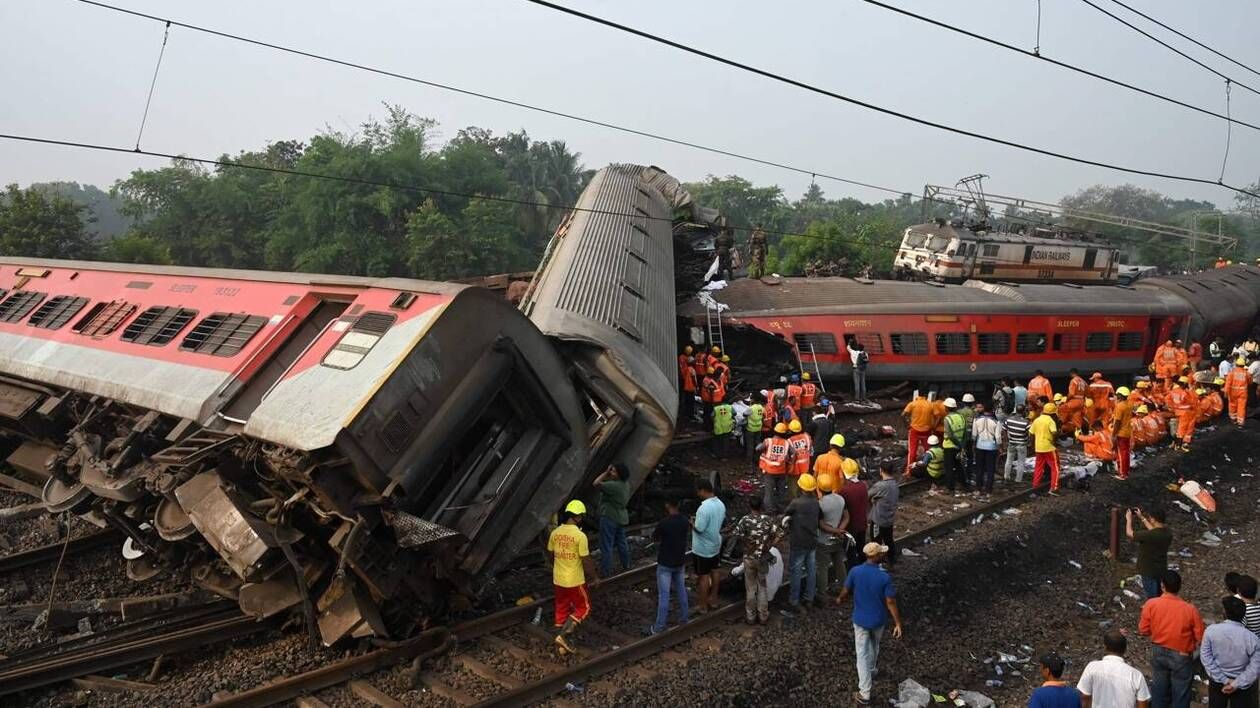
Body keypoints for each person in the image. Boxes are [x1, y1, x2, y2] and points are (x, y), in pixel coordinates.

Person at [837, 542, 904, 706]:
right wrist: (898, 623)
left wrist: (840, 598)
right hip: (878, 620)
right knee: (874, 645)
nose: (884, 554)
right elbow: (890, 601)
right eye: (882, 553)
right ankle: (872, 670)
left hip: (860, 620)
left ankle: (865, 692)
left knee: (862, 654)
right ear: (877, 556)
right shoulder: (884, 577)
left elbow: (846, 589)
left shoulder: (855, 571)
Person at [1139, 570, 1206, 708]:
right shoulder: (1190, 609)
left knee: (1159, 689)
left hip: (1158, 651)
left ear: (1162, 586)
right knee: (1181, 692)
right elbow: (1200, 636)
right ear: (1179, 587)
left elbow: (1143, 630)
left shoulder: (1151, 604)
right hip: (1181, 654)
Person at [548, 500, 599, 654]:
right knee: (584, 608)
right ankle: (564, 636)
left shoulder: (555, 533)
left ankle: (560, 646)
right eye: (581, 516)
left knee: (561, 608)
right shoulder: (580, 536)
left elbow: (551, 555)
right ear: (577, 517)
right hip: (574, 580)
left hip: (558, 578)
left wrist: (559, 565)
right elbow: (586, 560)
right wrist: (594, 577)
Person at [1201, 596, 1260, 707]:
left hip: (1217, 681)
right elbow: (1255, 668)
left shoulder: (1211, 631)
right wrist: (1236, 683)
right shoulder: (1253, 639)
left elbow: (1206, 658)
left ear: (1224, 613)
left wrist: (1224, 679)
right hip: (1242, 684)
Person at [732, 496, 780, 625]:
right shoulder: (768, 520)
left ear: (750, 506)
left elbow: (736, 534)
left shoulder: (745, 520)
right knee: (762, 586)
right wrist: (769, 545)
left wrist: (746, 544)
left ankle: (750, 616)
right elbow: (778, 534)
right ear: (761, 506)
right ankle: (763, 616)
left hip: (749, 558)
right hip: (762, 558)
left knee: (750, 588)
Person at [1077, 630, 1152, 708]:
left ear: (1105, 647)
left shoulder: (1092, 667)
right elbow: (1143, 703)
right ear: (1125, 650)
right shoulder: (1136, 675)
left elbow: (1084, 696)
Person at [647, 499, 690, 635]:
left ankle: (659, 627)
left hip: (665, 563)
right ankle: (684, 618)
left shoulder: (664, 523)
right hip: (679, 561)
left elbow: (655, 537)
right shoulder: (684, 521)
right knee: (681, 590)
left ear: (667, 505)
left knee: (664, 595)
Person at [783, 473, 821, 615]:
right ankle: (809, 599)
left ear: (801, 487)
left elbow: (786, 515)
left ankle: (794, 601)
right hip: (812, 541)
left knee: (796, 572)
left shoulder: (796, 503)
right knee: (811, 571)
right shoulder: (816, 503)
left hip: (798, 541)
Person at [691, 479, 726, 615]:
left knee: (704, 575)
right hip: (715, 544)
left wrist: (692, 523)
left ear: (702, 490)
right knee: (715, 570)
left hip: (703, 548)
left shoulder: (703, 508)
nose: (698, 494)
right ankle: (714, 599)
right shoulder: (721, 504)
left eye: (698, 491)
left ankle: (703, 605)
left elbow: (699, 529)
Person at [593, 463, 632, 577]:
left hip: (609, 517)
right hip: (621, 517)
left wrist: (605, 473)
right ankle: (626, 565)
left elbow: (595, 483)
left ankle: (606, 572)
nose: (611, 473)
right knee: (622, 543)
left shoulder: (613, 486)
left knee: (606, 545)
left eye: (614, 471)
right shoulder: (625, 484)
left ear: (619, 475)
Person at [816, 474, 850, 596]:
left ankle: (822, 594)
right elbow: (846, 517)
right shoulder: (840, 499)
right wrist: (839, 530)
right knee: (839, 563)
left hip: (823, 540)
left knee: (822, 568)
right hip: (838, 539)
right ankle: (844, 588)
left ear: (818, 488)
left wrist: (835, 531)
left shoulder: (820, 504)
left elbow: (821, 525)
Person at [1127, 506, 1172, 599]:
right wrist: (1141, 517)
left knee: (1152, 598)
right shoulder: (1167, 533)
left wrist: (1128, 519)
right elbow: (1154, 530)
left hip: (1148, 571)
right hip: (1161, 570)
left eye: (1150, 517)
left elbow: (1130, 533)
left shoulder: (1149, 535)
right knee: (1160, 595)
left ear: (1153, 519)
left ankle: (1154, 612)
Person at [837, 457, 870, 569]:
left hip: (850, 527)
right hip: (862, 524)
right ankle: (864, 569)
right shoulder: (863, 486)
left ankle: (854, 574)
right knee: (861, 550)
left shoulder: (844, 491)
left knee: (851, 553)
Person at [868, 460, 900, 566]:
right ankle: (892, 560)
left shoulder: (880, 485)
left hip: (878, 519)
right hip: (889, 519)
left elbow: (868, 495)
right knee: (888, 539)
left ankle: (876, 563)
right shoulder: (895, 484)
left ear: (881, 471)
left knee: (875, 542)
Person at [757, 423, 792, 512]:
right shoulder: (786, 443)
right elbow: (794, 453)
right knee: (781, 491)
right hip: (781, 470)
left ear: (775, 431)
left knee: (769, 492)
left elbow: (758, 448)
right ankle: (781, 508)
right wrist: (790, 462)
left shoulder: (768, 441)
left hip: (769, 471)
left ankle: (769, 510)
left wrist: (761, 446)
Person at [1031, 401, 1062, 494]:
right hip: (1049, 447)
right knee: (1055, 467)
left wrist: (1033, 445)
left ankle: (1035, 486)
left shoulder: (1037, 420)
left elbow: (1031, 433)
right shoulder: (1050, 420)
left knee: (1038, 467)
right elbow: (1054, 432)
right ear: (1053, 413)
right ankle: (1054, 488)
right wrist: (1054, 441)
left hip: (1038, 447)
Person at [972, 404, 1001, 499]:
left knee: (979, 468)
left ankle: (978, 489)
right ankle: (988, 490)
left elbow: (974, 435)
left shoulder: (976, 420)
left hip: (979, 446)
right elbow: (998, 437)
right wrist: (999, 446)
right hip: (992, 448)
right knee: (990, 469)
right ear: (992, 410)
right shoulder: (996, 422)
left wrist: (974, 444)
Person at [903, 392, 935, 474]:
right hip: (926, 431)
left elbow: (903, 415)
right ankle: (930, 468)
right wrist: (932, 425)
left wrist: (907, 425)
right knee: (929, 450)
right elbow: (936, 415)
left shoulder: (912, 404)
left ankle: (909, 471)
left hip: (914, 430)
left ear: (917, 394)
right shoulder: (930, 404)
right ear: (926, 395)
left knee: (912, 451)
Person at [942, 397, 967, 495]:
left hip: (949, 446)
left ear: (947, 408)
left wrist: (958, 444)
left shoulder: (947, 419)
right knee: (959, 466)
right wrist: (962, 445)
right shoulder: (961, 417)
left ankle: (950, 487)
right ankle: (963, 484)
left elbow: (950, 435)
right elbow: (965, 433)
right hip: (959, 446)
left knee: (949, 468)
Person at [1003, 404, 1031, 482]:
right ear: (1024, 411)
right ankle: (1018, 479)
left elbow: (1004, 430)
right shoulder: (1026, 422)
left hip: (1011, 442)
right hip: (1022, 444)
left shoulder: (1008, 419)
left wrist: (1006, 440)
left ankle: (1006, 476)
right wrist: (1029, 441)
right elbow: (1030, 433)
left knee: (1008, 460)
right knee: (1021, 462)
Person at [1112, 387, 1135, 480]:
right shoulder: (1129, 404)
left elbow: (1117, 421)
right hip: (1127, 432)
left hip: (1121, 433)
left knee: (1121, 454)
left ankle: (1122, 474)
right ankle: (1125, 471)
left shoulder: (1120, 406)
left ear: (1120, 395)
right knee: (1125, 453)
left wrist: (1114, 434)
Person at [787, 419, 813, 499]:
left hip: (795, 467)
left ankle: (795, 501)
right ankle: (805, 499)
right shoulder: (807, 437)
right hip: (806, 465)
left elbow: (789, 456)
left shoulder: (789, 441)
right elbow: (811, 452)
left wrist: (790, 466)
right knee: (805, 485)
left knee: (793, 487)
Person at [1226, 358, 1251, 426]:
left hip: (1232, 393)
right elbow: (1250, 382)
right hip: (1243, 393)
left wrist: (1226, 392)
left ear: (1236, 365)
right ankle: (1240, 422)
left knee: (1232, 405)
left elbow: (1228, 384)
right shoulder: (1246, 373)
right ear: (1243, 365)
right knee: (1241, 407)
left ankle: (1233, 419)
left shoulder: (1232, 373)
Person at [744, 395, 766, 459]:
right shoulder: (761, 407)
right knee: (758, 443)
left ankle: (750, 458)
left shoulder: (751, 408)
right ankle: (757, 457)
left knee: (750, 444)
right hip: (758, 428)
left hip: (750, 429)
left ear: (753, 400)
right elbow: (763, 415)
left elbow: (744, 414)